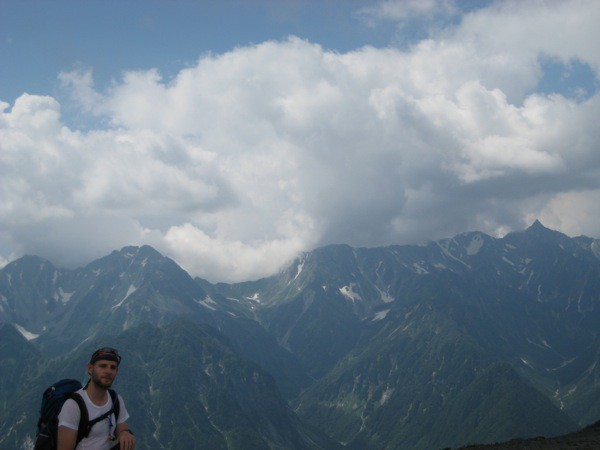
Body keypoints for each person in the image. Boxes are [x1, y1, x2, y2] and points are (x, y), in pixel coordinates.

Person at [57, 347, 136, 450]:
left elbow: (123, 429)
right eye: (103, 366)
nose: (108, 371)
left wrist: (125, 433)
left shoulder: (116, 400)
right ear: (90, 368)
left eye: (113, 367)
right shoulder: (73, 406)